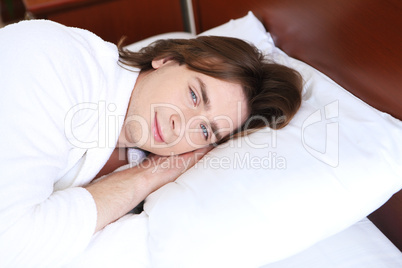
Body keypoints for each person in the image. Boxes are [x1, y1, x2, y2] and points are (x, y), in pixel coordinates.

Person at [0, 19, 302, 267]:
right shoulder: (51, 61)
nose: (179, 123)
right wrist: (145, 177)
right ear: (166, 59)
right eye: (194, 95)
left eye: (205, 130)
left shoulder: (141, 157)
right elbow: (8, 244)